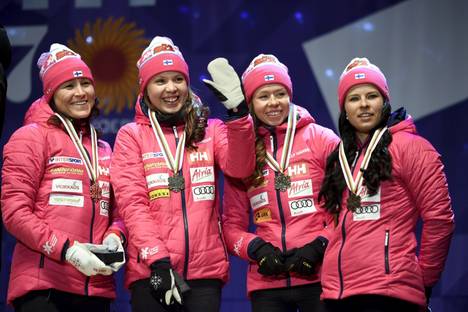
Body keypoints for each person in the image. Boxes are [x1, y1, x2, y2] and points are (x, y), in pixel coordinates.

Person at [110, 36, 255, 312]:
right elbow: (133, 205)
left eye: (178, 79)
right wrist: (158, 260)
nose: (171, 88)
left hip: (204, 275)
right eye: (160, 80)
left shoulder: (210, 130)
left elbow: (241, 168)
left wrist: (238, 115)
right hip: (151, 271)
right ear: (145, 88)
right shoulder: (132, 135)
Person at [318, 57, 455, 312]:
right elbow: (333, 224)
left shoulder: (412, 148)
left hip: (390, 294)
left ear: (385, 102)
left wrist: (423, 280)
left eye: (372, 96)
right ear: (344, 109)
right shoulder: (341, 158)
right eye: (354, 98)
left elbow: (440, 219)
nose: (364, 105)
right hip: (337, 295)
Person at [1, 43, 126, 312]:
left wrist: (116, 236)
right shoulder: (30, 137)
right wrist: (67, 249)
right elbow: (15, 213)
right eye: (68, 86)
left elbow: (118, 212)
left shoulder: (102, 147)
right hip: (44, 287)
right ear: (51, 94)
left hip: (96, 287)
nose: (80, 93)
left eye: (85, 84)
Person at [221, 54, 339, 312]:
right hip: (267, 281)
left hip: (319, 274)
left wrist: (320, 245)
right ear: (250, 102)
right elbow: (231, 226)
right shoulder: (243, 152)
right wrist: (256, 249)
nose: (274, 103)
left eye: (280, 94)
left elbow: (346, 209)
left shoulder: (322, 140)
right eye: (264, 96)